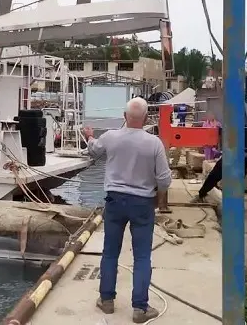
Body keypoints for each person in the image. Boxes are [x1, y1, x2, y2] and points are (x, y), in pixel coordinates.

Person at [83, 97, 171, 323]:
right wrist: (158, 198)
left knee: (110, 252)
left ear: (124, 117)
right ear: (146, 118)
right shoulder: (154, 143)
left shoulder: (112, 137)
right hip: (143, 203)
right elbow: (164, 178)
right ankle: (140, 308)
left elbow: (94, 150)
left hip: (115, 201)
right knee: (142, 256)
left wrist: (89, 136)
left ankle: (107, 300)